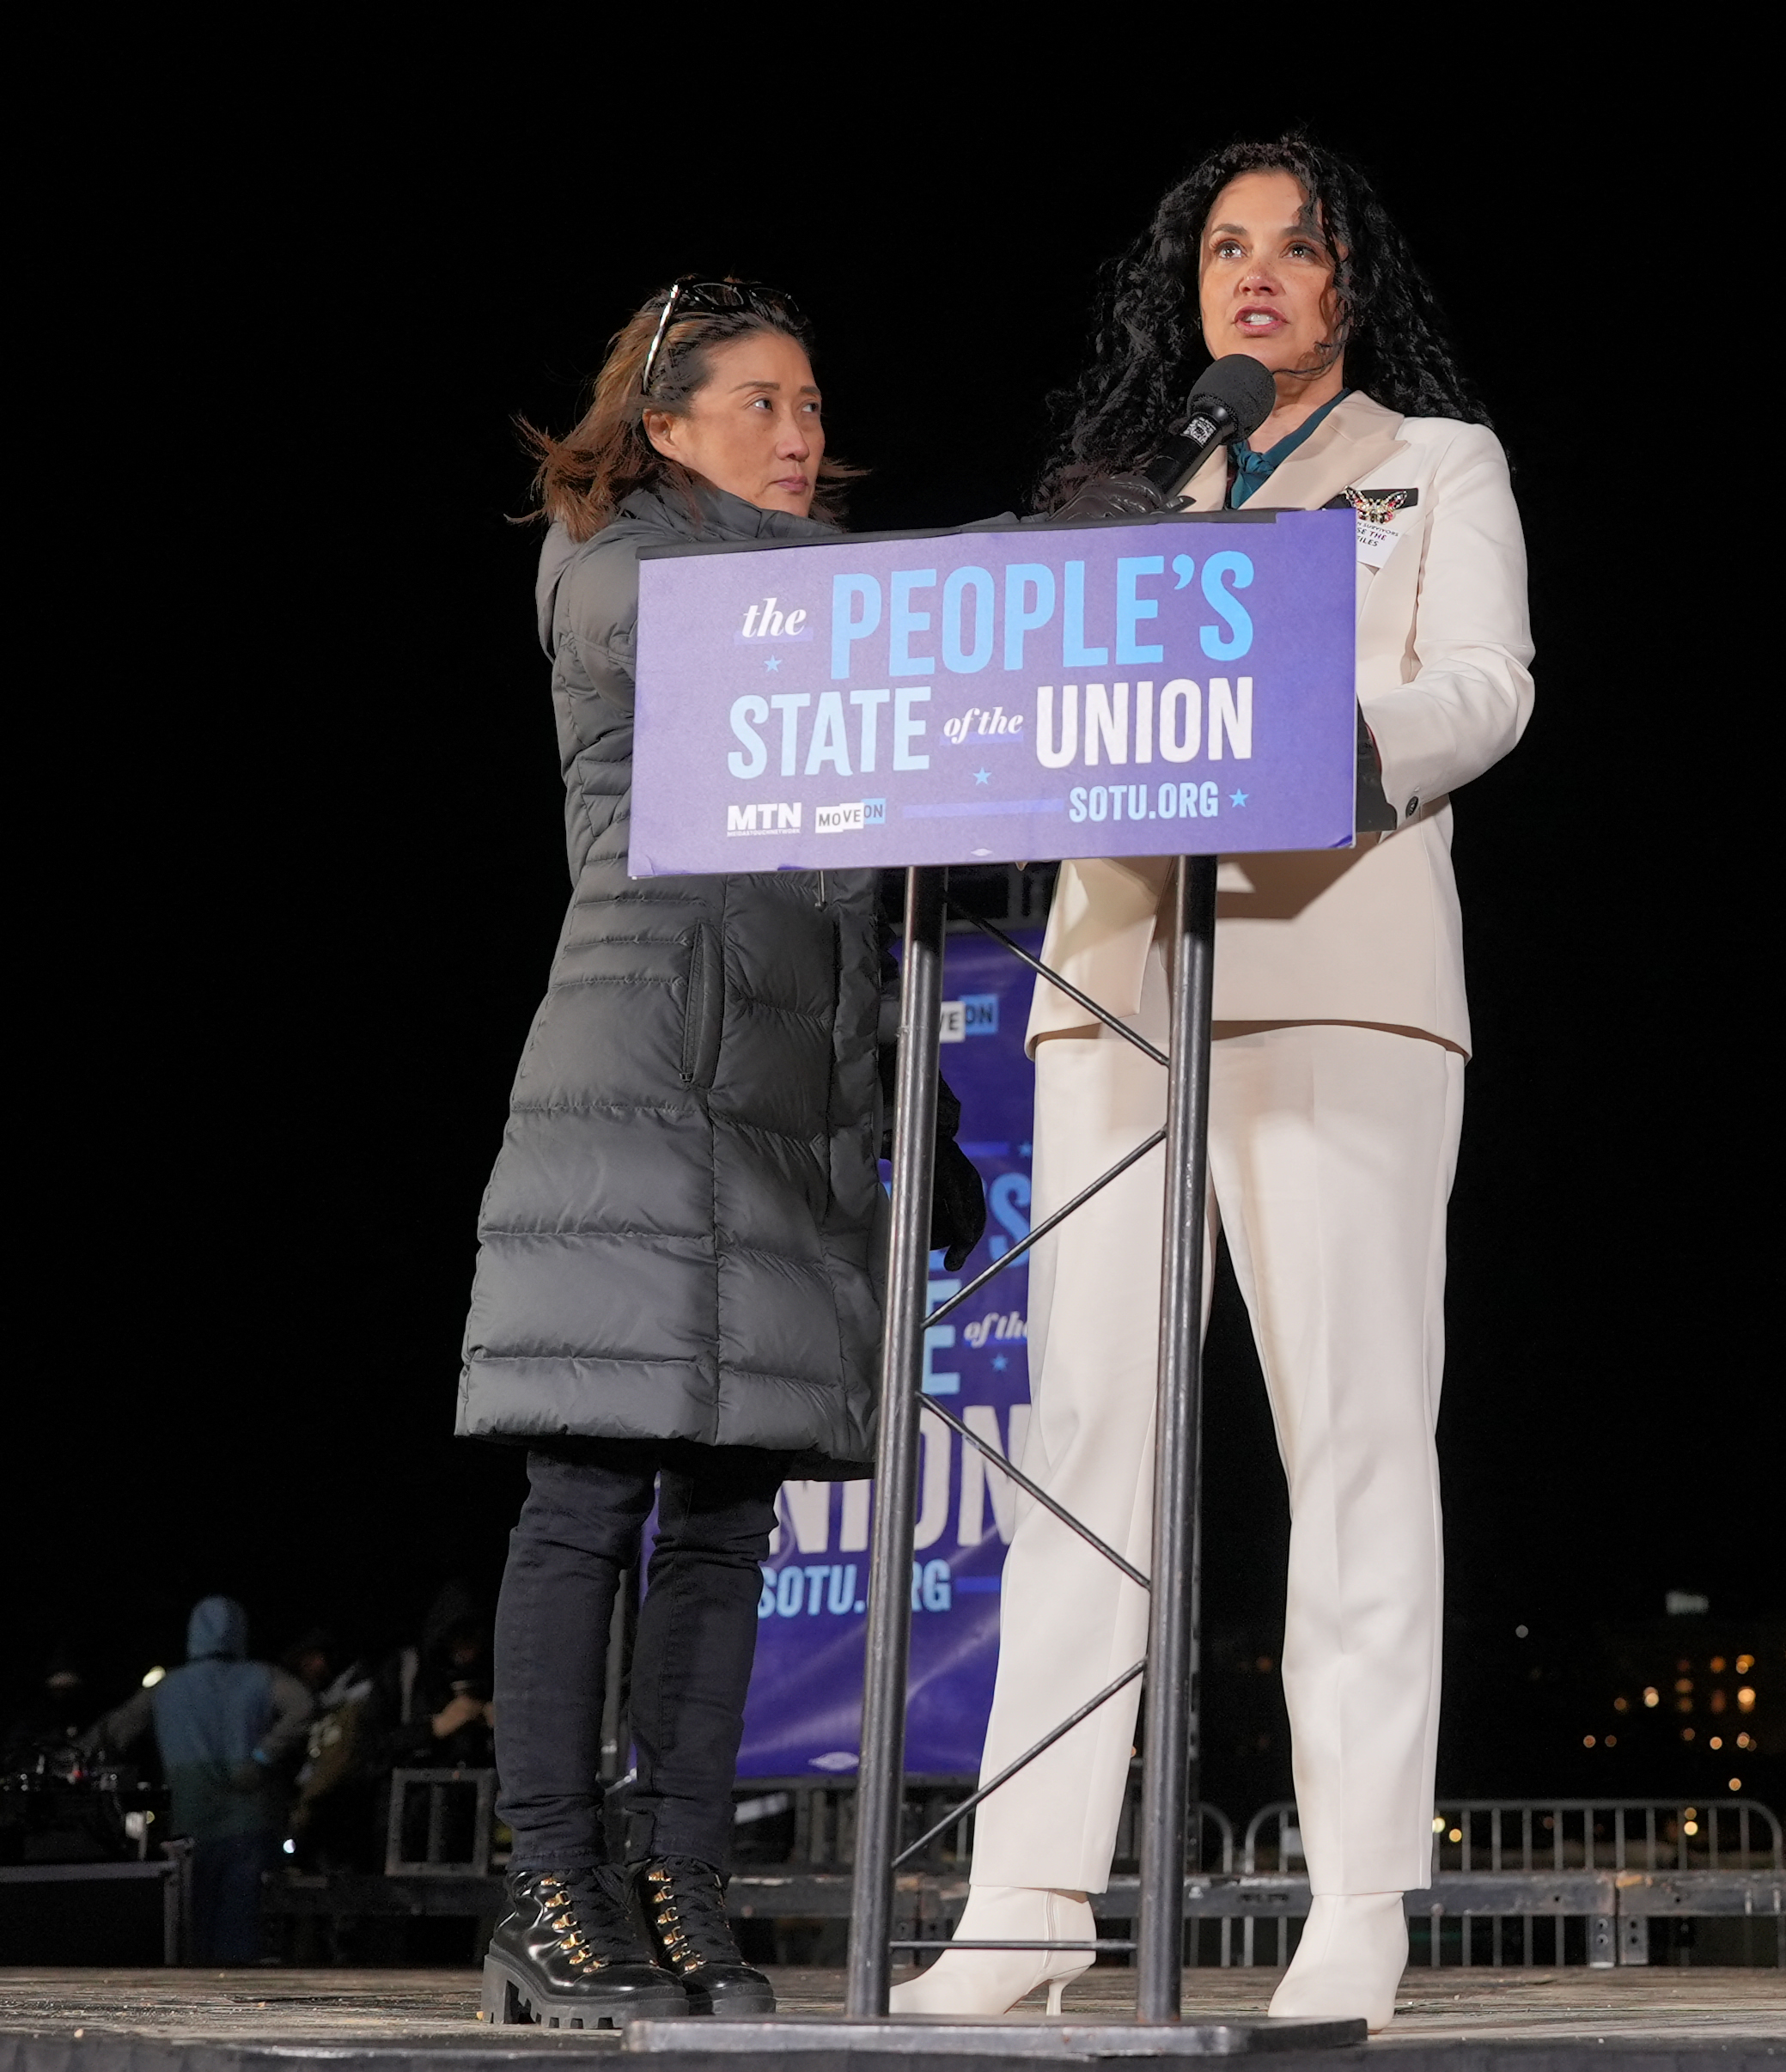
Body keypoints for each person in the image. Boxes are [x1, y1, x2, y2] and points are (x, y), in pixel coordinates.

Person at [895, 135, 1531, 2030]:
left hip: (1333, 980)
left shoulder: (1435, 465)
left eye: (1292, 249)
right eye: (1222, 251)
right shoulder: (1133, 491)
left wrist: (1330, 745)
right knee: (1085, 1449)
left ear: (1348, 287)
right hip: (1116, 994)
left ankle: (1355, 1901)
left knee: (1344, 1439)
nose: (1252, 276)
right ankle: (1022, 1901)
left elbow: (1490, 684)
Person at [460, 277, 978, 2026]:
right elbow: (658, 632)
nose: (801, 433)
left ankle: (680, 1883)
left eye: (813, 404)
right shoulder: (619, 567)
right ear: (665, 424)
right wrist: (951, 596)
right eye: (758, 402)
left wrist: (938, 1118)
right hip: (643, 1078)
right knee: (587, 1492)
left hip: (791, 1112)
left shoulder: (825, 619)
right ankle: (549, 1884)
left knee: (730, 1516)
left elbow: (865, 906)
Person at [92, 1598, 314, 1961]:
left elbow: (112, 1731)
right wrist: (262, 1756)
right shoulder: (262, 1677)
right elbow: (303, 1706)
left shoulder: (167, 1688)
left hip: (190, 1828)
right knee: (242, 1935)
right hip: (250, 1822)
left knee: (191, 1935)